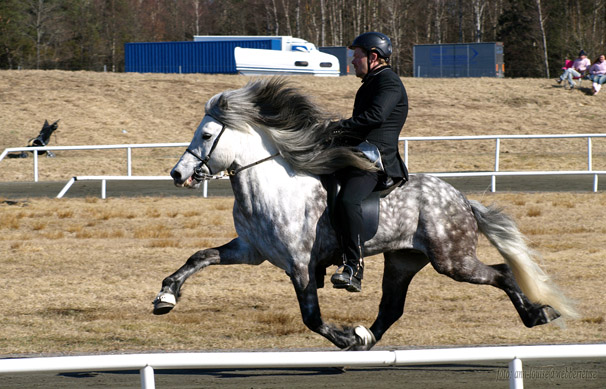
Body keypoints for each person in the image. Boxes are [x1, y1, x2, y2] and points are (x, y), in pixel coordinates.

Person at [329, 32, 409, 293]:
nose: (352, 61)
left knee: (349, 200)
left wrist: (338, 127)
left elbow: (374, 117)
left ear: (373, 57)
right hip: (359, 153)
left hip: (376, 160)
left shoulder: (388, 82)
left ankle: (354, 267)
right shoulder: (372, 82)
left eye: (357, 55)